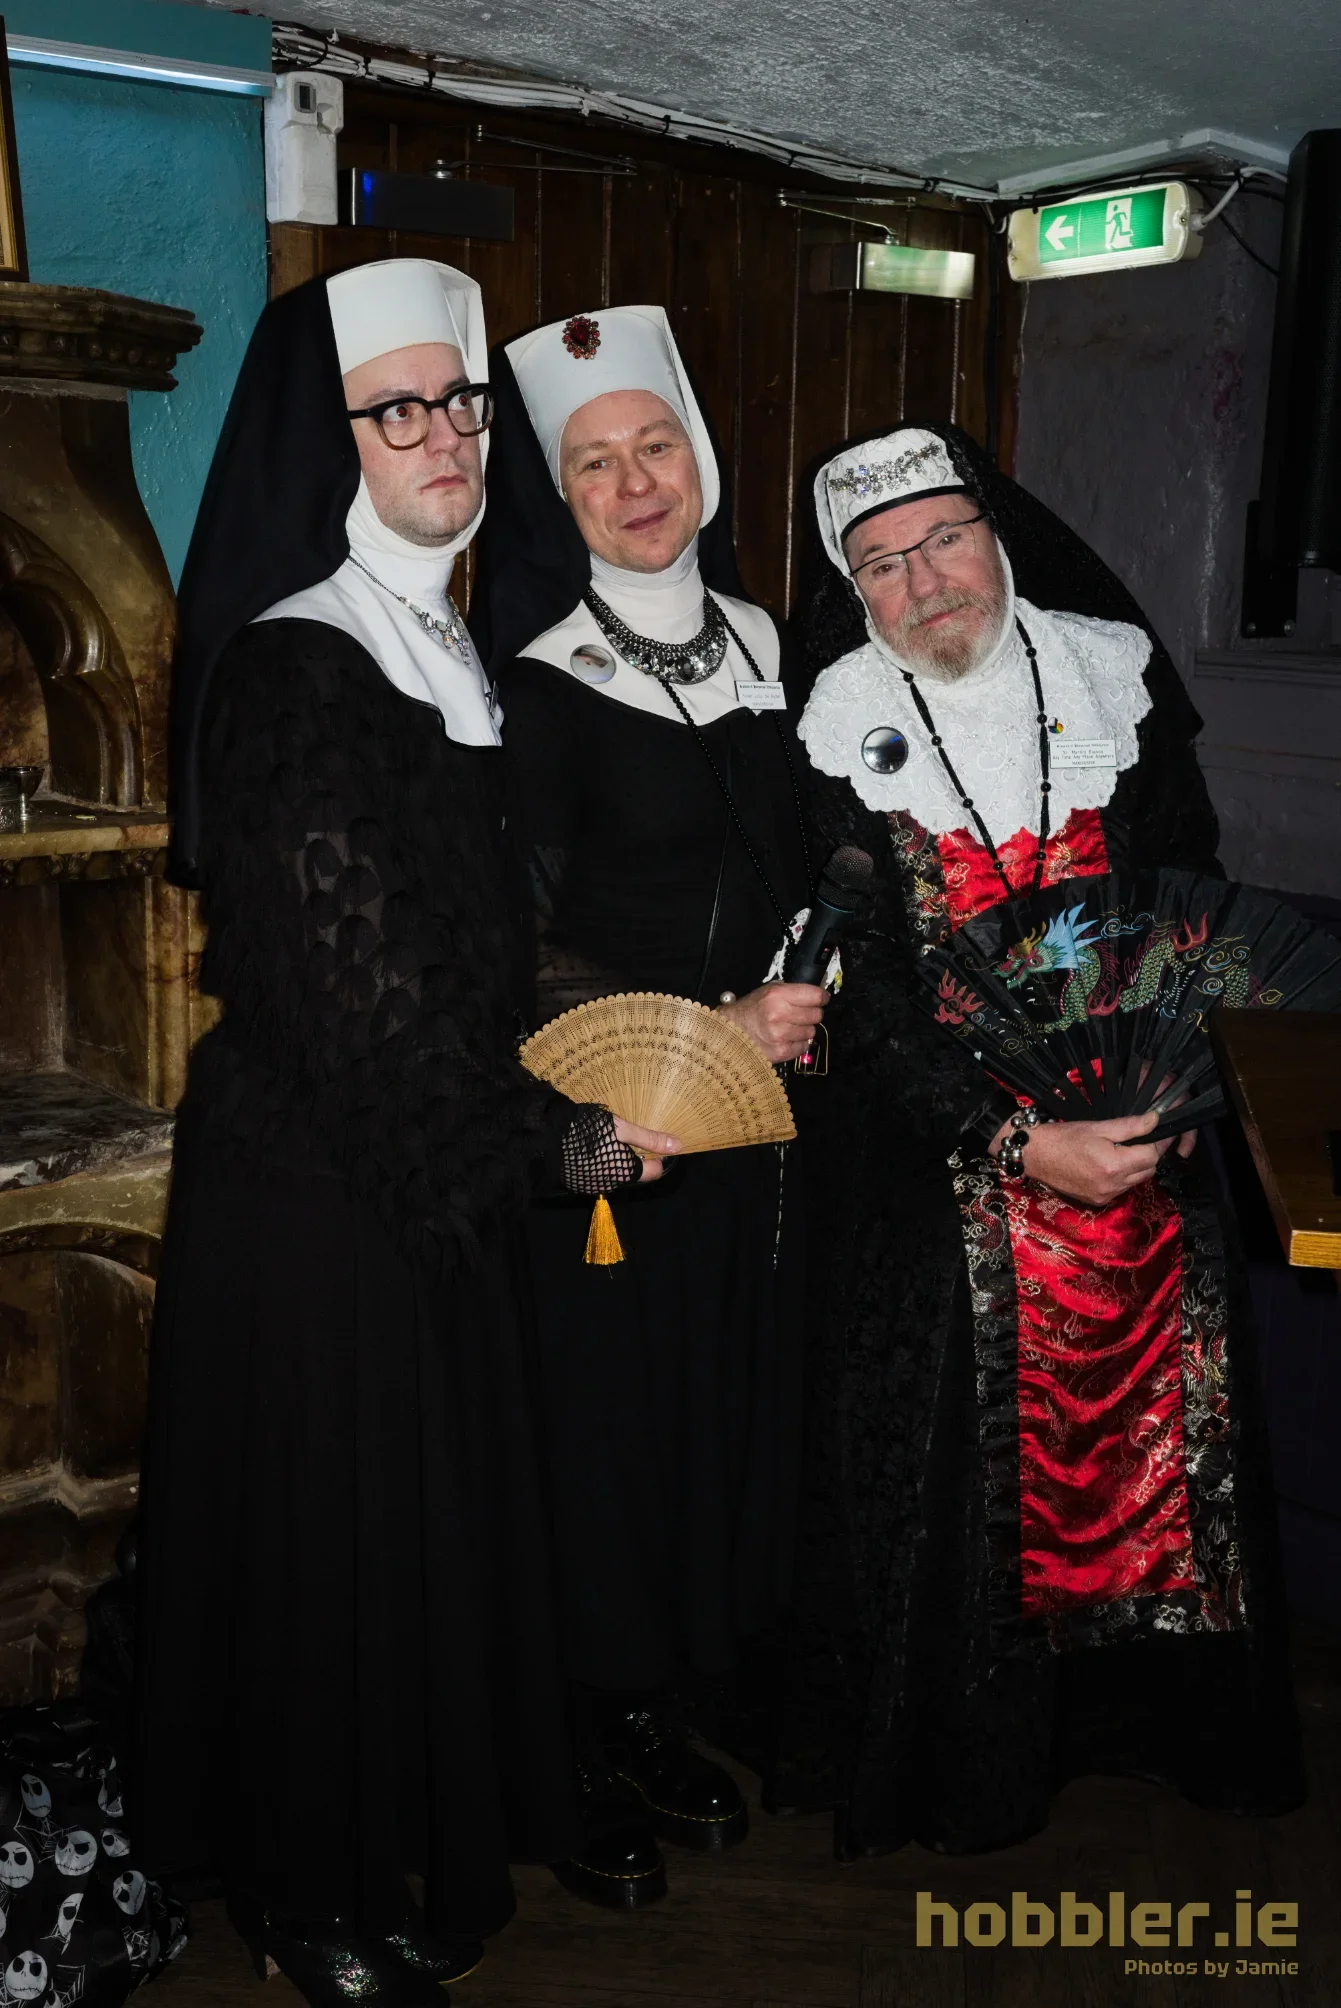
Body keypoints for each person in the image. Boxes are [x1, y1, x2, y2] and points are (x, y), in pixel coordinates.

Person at [133, 261, 673, 2006]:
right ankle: (307, 1898)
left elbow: (485, 944)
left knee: (413, 1545)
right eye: (396, 409)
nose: (443, 434)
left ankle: (385, 1858)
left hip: (422, 1184)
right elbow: (365, 1002)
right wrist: (564, 1146)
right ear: (332, 439)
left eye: (459, 403)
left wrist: (659, 1050)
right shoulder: (299, 665)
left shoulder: (448, 645)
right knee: (323, 1556)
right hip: (313, 1203)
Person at [773, 422, 1304, 1858]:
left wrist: (1166, 1093)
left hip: (1139, 1147)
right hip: (941, 1168)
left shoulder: (1111, 679)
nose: (924, 581)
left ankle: (1152, 1726)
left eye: (944, 539)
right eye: (882, 564)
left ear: (996, 536)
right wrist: (1011, 1140)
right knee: (955, 1460)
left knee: (1173, 1432)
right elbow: (869, 998)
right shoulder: (833, 732)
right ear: (854, 593)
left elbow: (1188, 896)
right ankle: (975, 1764)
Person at [470, 306, 820, 1908]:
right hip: (616, 1132)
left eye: (655, 444)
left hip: (759, 1131)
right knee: (609, 1433)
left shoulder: (769, 643)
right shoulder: (540, 685)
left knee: (714, 1413)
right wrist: (705, 1033)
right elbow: (520, 945)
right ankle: (589, 1723)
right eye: (593, 462)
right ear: (557, 497)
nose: (634, 484)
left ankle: (684, 1681)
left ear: (703, 459)